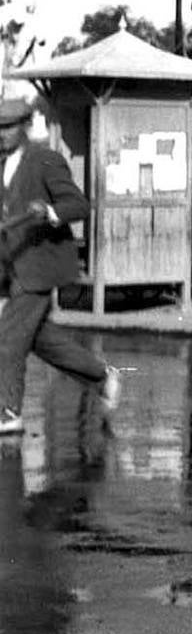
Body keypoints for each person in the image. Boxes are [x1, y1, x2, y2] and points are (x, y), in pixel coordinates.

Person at [0, 96, 120, 435]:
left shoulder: (45, 160)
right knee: (37, 339)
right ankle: (102, 377)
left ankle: (8, 413)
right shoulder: (2, 163)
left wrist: (50, 212)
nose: (2, 135)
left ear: (25, 127)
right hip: (12, 266)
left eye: (9, 128)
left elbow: (79, 205)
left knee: (7, 338)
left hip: (41, 266)